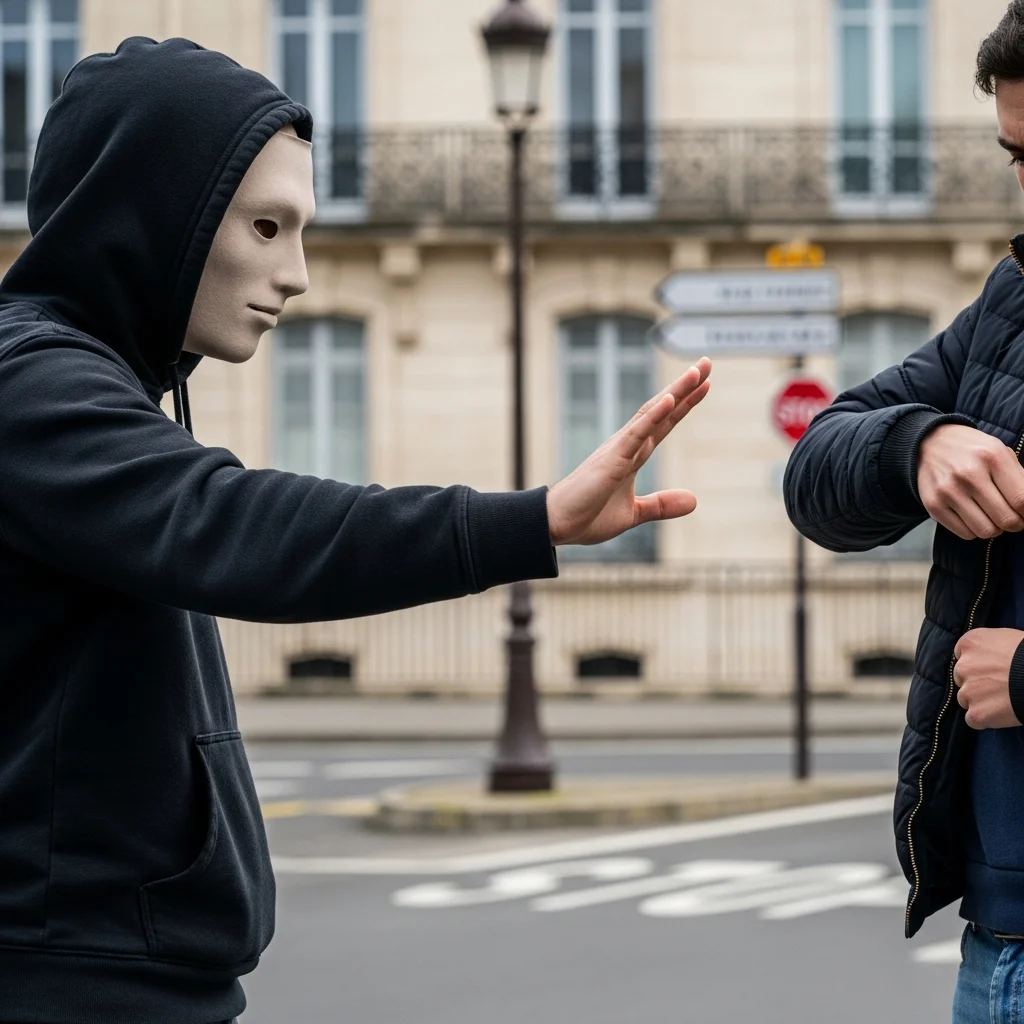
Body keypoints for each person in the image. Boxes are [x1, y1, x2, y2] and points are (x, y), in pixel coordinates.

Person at [0, 36, 711, 1024]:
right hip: (75, 987)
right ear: (158, 212)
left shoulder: (96, 388)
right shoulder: (28, 381)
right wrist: (530, 521)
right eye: (265, 226)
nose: (295, 274)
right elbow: (236, 526)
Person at [784, 3, 1024, 1019]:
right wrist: (915, 442)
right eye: (1017, 157)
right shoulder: (1012, 305)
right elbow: (819, 461)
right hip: (999, 937)